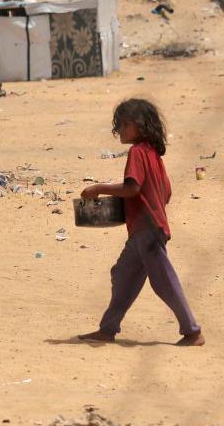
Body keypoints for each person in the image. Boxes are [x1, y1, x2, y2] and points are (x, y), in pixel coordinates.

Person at [79, 98, 203, 346]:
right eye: (120, 125)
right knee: (123, 275)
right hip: (145, 228)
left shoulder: (137, 152)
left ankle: (192, 331)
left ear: (141, 126)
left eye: (126, 125)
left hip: (147, 231)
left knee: (164, 282)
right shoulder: (153, 154)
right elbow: (166, 191)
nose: (121, 130)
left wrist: (99, 189)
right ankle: (108, 328)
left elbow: (132, 188)